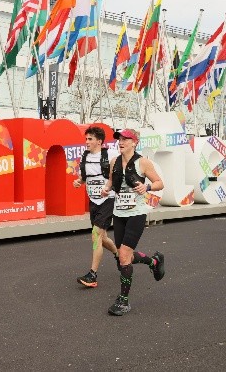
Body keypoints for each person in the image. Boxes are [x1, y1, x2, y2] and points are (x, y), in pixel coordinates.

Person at [100, 129, 165, 316]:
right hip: (119, 214)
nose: (121, 142)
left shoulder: (142, 162)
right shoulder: (114, 162)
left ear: (134, 142)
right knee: (123, 257)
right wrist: (105, 190)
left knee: (123, 257)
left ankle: (123, 300)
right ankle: (153, 261)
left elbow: (160, 183)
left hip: (136, 213)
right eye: (119, 139)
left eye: (125, 139)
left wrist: (148, 186)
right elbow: (111, 183)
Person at [73, 126, 120, 288]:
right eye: (86, 139)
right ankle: (119, 256)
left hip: (108, 200)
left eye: (90, 139)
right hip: (93, 201)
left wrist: (110, 187)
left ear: (99, 141)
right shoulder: (84, 156)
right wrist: (79, 181)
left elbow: (119, 173)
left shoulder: (111, 155)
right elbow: (84, 177)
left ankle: (92, 274)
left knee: (95, 234)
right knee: (103, 237)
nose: (87, 142)